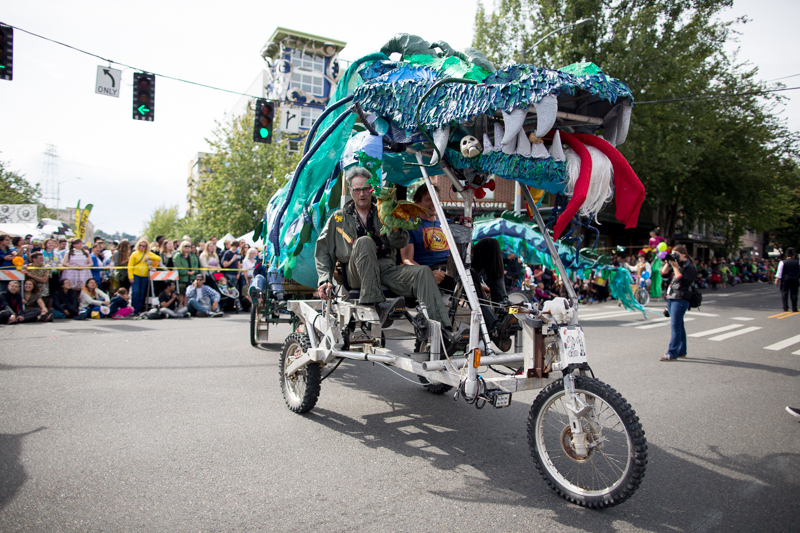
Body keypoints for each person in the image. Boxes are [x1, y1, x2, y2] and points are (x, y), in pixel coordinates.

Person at [315, 167, 450, 328]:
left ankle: (440, 330)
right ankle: (378, 304)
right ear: (351, 191)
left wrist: (395, 228)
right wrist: (325, 279)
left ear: (372, 189)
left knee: (423, 272)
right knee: (365, 241)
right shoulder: (338, 218)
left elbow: (400, 244)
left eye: (366, 189)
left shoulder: (384, 212)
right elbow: (323, 250)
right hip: (356, 272)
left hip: (386, 268)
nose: (362, 194)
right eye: (358, 190)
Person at [660, 245, 697, 361]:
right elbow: (663, 274)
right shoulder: (677, 264)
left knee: (675, 326)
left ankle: (671, 353)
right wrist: (668, 262)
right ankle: (681, 351)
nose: (675, 256)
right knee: (680, 325)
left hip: (681, 298)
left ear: (684, 254)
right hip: (672, 296)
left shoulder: (690, 267)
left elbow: (681, 281)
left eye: (677, 254)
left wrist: (675, 267)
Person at [127, 238, 161, 315]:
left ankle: (139, 309)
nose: (142, 247)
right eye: (140, 245)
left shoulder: (148, 254)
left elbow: (158, 258)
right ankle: (133, 309)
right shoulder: (134, 254)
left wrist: (149, 257)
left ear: (146, 247)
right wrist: (130, 276)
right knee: (135, 292)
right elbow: (130, 266)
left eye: (144, 246)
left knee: (142, 293)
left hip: (144, 276)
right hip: (136, 275)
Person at [172, 241, 199, 306]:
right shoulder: (177, 256)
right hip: (182, 278)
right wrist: (187, 272)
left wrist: (194, 271)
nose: (187, 247)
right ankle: (181, 307)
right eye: (185, 246)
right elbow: (178, 266)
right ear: (182, 247)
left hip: (191, 278)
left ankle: (188, 307)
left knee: (190, 293)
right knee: (182, 293)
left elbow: (196, 264)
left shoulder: (192, 255)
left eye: (188, 246)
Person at [775, 247, 799, 313]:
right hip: (795, 279)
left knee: (784, 293)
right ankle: (794, 308)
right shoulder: (798, 262)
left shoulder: (782, 262)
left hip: (785, 279)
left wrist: (777, 279)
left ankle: (785, 307)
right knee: (794, 293)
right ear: (793, 255)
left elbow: (779, 272)